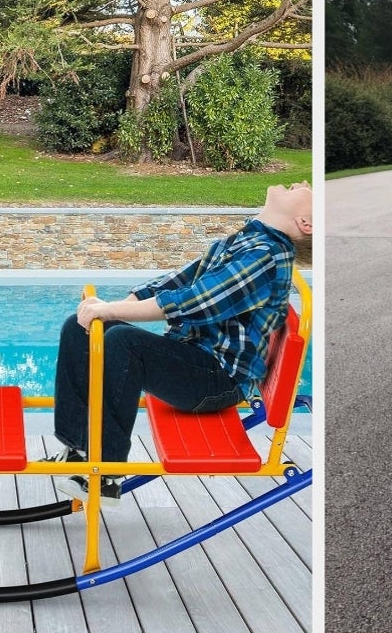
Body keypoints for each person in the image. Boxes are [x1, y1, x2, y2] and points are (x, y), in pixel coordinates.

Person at [45, 182, 313, 504]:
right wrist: (106, 309)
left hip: (218, 380)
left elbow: (195, 301)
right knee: (80, 329)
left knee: (123, 343)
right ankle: (77, 450)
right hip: (196, 361)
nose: (303, 183)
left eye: (309, 190)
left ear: (306, 223)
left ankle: (106, 473)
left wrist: (112, 311)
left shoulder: (266, 257)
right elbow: (180, 279)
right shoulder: (250, 240)